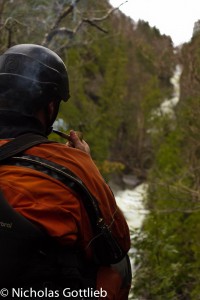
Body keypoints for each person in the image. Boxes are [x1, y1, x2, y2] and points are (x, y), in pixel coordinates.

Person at [0, 44, 131, 299]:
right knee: (118, 266)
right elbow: (117, 243)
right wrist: (86, 164)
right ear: (50, 107)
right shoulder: (73, 164)